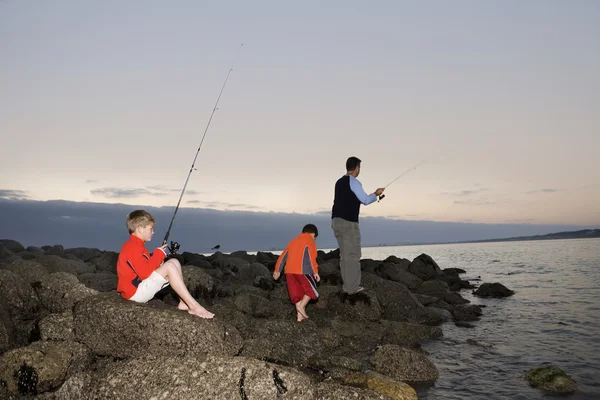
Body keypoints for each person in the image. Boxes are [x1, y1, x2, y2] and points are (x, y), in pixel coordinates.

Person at [116, 209, 214, 319]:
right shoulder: (132, 247)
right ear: (139, 229)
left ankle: (183, 302)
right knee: (170, 266)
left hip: (139, 287)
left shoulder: (136, 246)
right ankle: (194, 306)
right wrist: (158, 254)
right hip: (134, 293)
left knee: (174, 262)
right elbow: (144, 273)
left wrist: (159, 261)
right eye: (150, 229)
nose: (153, 232)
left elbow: (146, 267)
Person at [331, 156, 384, 294]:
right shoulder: (353, 182)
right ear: (357, 168)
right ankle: (353, 288)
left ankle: (347, 286)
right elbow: (365, 200)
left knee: (344, 256)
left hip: (336, 221)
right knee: (353, 255)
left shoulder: (339, 182)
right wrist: (376, 194)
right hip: (348, 222)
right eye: (359, 167)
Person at [273, 224, 321, 322]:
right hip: (303, 271)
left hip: (289, 272)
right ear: (313, 234)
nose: (314, 240)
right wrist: (315, 271)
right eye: (315, 238)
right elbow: (312, 258)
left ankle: (299, 317)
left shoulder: (292, 242)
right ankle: (301, 307)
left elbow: (282, 257)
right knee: (312, 291)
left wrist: (277, 270)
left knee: (296, 295)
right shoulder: (310, 240)